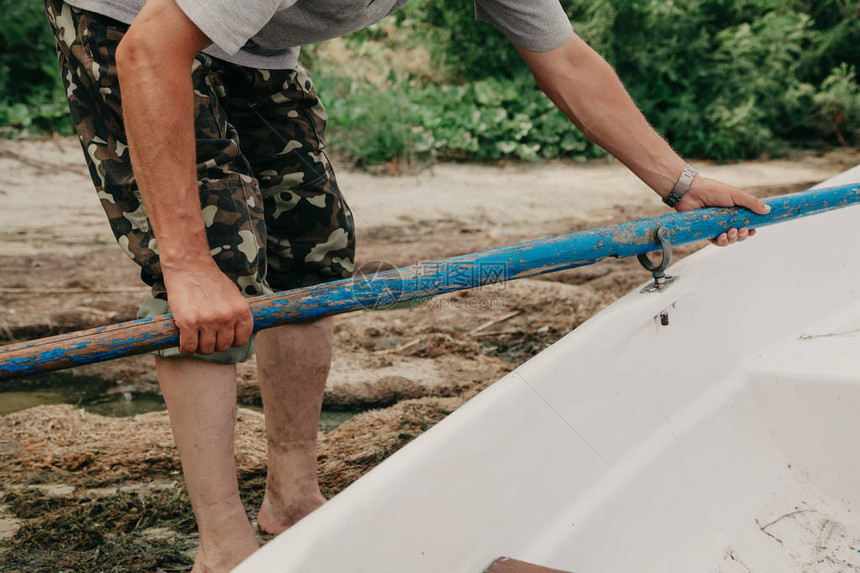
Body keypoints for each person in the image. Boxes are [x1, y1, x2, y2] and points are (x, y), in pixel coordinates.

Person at [45, 0, 771, 570]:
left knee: (316, 244)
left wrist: (680, 182)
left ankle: (292, 498)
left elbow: (566, 58)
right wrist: (187, 266)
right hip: (128, 24)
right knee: (221, 255)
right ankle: (223, 547)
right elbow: (151, 48)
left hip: (252, 42)